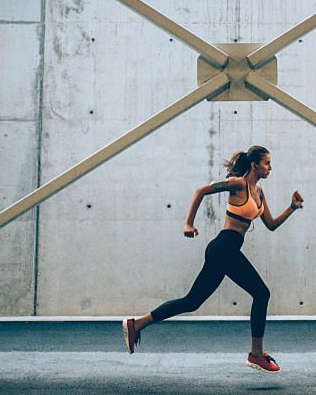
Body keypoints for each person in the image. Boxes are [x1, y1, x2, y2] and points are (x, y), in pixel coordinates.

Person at [122, 145, 304, 373]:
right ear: (254, 165)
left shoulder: (259, 193)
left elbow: (271, 225)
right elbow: (201, 191)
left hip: (226, 250)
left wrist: (292, 207)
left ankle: (137, 324)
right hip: (223, 247)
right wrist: (189, 223)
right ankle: (256, 354)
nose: (270, 167)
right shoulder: (238, 184)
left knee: (192, 302)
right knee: (261, 293)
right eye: (267, 163)